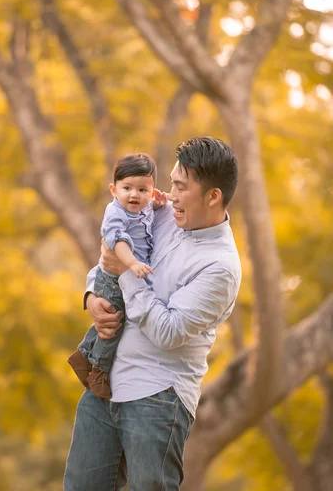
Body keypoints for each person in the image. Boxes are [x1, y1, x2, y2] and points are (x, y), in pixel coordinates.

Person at [64, 137, 241, 491]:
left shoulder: (220, 267)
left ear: (213, 196)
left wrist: (126, 274)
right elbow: (110, 256)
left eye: (180, 186)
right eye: (172, 182)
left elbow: (168, 331)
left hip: (158, 397)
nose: (170, 194)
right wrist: (91, 297)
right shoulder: (162, 215)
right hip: (106, 384)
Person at [67, 152, 164, 399]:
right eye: (127, 188)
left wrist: (159, 203)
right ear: (114, 189)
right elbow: (116, 242)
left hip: (126, 275)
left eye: (143, 190)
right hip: (113, 276)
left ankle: (82, 355)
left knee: (112, 318)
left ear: (152, 192)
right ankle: (98, 368)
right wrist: (132, 264)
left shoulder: (146, 208)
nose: (134, 195)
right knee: (115, 322)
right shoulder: (116, 213)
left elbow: (151, 207)